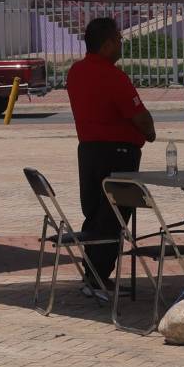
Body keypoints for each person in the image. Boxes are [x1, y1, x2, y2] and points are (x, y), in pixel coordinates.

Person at [65, 16, 156, 302]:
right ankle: (98, 277)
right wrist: (149, 132)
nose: (121, 43)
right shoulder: (114, 77)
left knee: (95, 214)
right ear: (106, 45)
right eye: (118, 39)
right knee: (114, 216)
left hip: (89, 151)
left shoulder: (75, 73)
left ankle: (93, 274)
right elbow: (141, 118)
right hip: (118, 153)